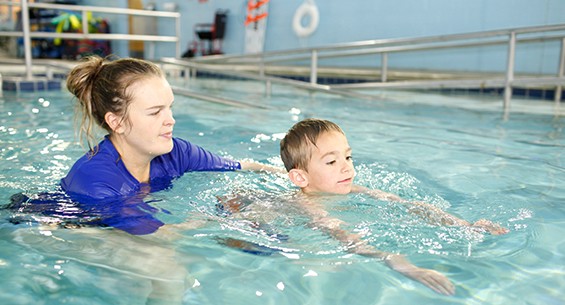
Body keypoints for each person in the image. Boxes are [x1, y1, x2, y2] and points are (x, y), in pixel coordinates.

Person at [277, 118, 509, 295]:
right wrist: (407, 268)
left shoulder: (355, 189)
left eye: (348, 157)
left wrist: (465, 224)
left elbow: (409, 205)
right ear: (300, 178)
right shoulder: (310, 207)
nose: (347, 168)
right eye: (331, 161)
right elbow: (347, 238)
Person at [57, 55, 279, 235]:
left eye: (169, 107)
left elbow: (240, 167)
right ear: (117, 122)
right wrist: (215, 216)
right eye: (155, 112)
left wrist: (286, 177)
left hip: (124, 223)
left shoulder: (176, 153)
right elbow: (162, 237)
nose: (170, 120)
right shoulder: (97, 181)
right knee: (161, 262)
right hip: (60, 226)